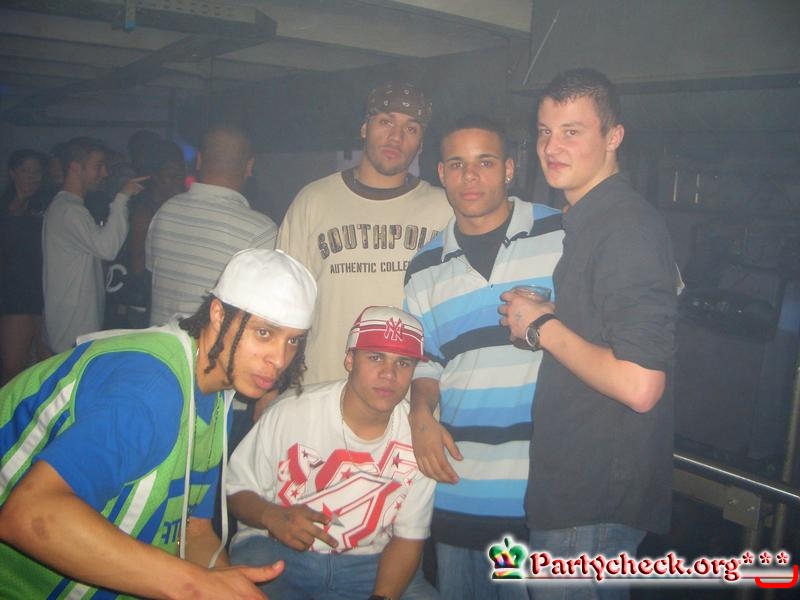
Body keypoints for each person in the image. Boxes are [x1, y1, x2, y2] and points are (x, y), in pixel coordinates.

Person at [0, 248, 318, 599]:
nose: (280, 359)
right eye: (264, 333)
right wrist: (194, 586)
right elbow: (29, 514)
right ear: (218, 314)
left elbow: (193, 531)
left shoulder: (218, 394)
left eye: (293, 340)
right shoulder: (152, 388)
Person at [499, 68, 677, 600]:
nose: (551, 147)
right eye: (544, 131)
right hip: (578, 497)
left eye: (572, 132)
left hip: (592, 504)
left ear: (613, 136)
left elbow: (640, 385)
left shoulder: (625, 228)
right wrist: (554, 314)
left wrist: (542, 326)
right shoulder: (591, 222)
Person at [403, 116, 563, 599]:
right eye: (457, 164)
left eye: (485, 162)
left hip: (546, 493)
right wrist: (419, 413)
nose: (470, 176)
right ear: (441, 173)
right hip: (460, 486)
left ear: (509, 169)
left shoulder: (562, 232)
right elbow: (426, 361)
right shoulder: (425, 266)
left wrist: (553, 317)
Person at [227, 306, 438, 600]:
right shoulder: (292, 412)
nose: (389, 374)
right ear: (350, 360)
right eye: (375, 357)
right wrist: (272, 515)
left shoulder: (421, 438)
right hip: (277, 550)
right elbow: (236, 490)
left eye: (403, 363)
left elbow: (408, 538)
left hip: (370, 564)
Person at [278, 81, 452, 385]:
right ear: (364, 129)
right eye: (386, 122)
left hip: (410, 397)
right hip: (324, 389)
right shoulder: (314, 201)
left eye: (411, 129)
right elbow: (282, 304)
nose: (396, 137)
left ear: (421, 144)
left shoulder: (445, 210)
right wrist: (274, 385)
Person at [147, 124, 278, 328]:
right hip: (210, 348)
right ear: (249, 167)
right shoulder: (261, 231)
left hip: (158, 345)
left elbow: (151, 273)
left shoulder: (166, 211)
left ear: (199, 160)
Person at [42, 137, 148, 353]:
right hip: (72, 327)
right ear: (75, 167)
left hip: (73, 322)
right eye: (98, 166)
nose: (105, 173)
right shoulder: (69, 210)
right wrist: (122, 198)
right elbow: (107, 249)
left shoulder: (69, 207)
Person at [105, 140, 187, 329]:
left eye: (180, 176)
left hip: (164, 297)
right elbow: (138, 259)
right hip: (144, 301)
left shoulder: (176, 207)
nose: (177, 181)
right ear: (156, 177)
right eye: (171, 176)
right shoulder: (145, 211)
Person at [0, 149, 52, 383]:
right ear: (13, 173)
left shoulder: (46, 208)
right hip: (14, 293)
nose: (32, 177)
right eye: (25, 171)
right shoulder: (4, 209)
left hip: (43, 291)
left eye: (36, 172)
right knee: (13, 367)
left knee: (46, 365)